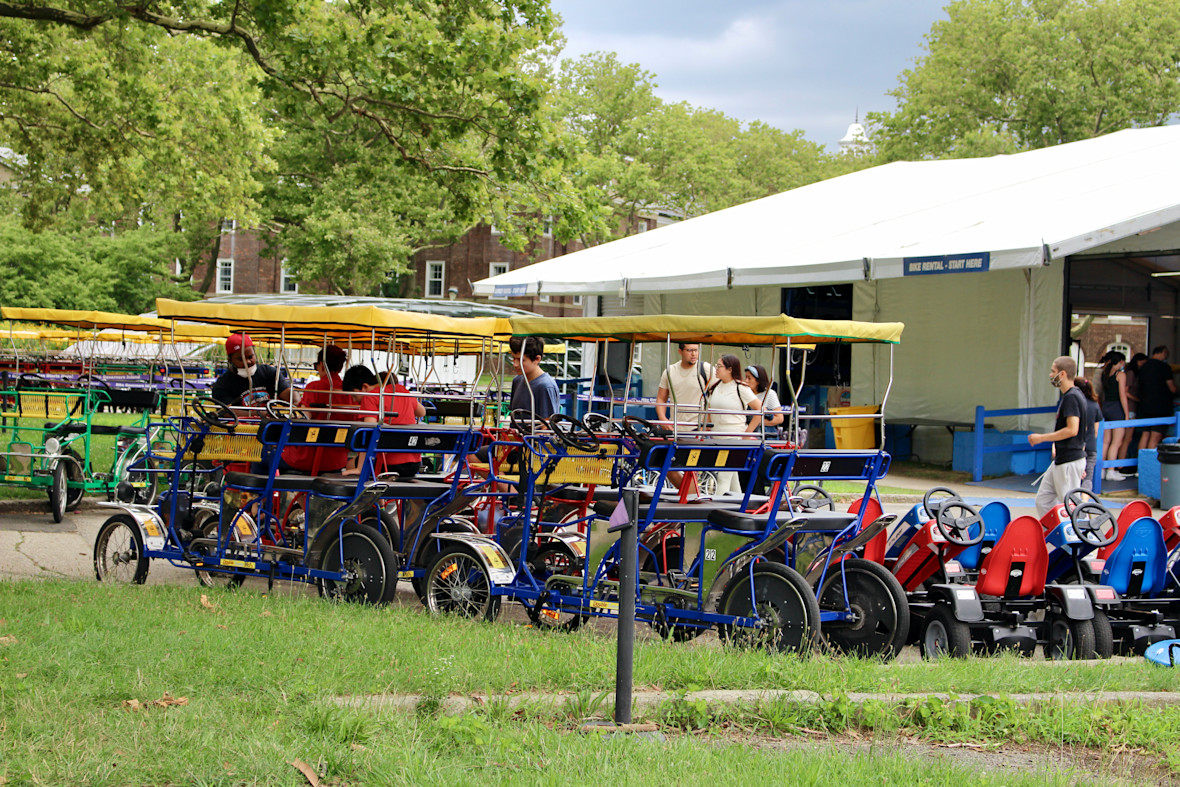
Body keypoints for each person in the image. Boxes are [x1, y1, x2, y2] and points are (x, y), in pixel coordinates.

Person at [1029, 356, 1091, 518]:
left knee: (1070, 505)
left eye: (1053, 371)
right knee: (1043, 500)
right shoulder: (1073, 396)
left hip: (1069, 460)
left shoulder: (1072, 397)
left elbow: (1072, 429)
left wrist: (1042, 438)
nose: (1050, 375)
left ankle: (1078, 534)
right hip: (1063, 458)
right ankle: (1054, 531)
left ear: (1062, 374)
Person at [342, 366, 426, 478]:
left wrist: (359, 468)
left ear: (365, 387)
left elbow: (368, 434)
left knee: (350, 465)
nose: (354, 400)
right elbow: (422, 412)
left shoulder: (370, 397)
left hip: (389, 465)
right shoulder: (401, 390)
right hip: (414, 464)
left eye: (354, 395)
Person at [280, 345, 351, 474]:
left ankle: (257, 493)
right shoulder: (349, 392)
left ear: (321, 365)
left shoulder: (314, 388)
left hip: (308, 459)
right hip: (337, 460)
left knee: (265, 456)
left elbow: (303, 418)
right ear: (340, 367)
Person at [704, 354, 758, 496]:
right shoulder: (715, 387)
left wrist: (748, 432)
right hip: (717, 437)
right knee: (732, 478)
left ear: (730, 369)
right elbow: (709, 409)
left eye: (719, 366)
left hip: (734, 437)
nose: (716, 369)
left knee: (723, 476)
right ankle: (740, 505)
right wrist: (707, 428)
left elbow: (760, 410)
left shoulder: (740, 388)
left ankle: (715, 508)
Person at [210, 333, 292, 409]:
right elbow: (227, 412)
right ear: (230, 360)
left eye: (250, 357)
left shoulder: (269, 372)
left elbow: (288, 395)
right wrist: (259, 414)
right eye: (241, 359)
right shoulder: (222, 384)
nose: (248, 362)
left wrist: (295, 399)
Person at [656, 342, 713, 428]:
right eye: (689, 350)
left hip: (698, 427)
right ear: (680, 351)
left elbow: (717, 394)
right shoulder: (670, 371)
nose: (693, 354)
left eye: (696, 350)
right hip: (674, 427)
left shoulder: (706, 369)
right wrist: (663, 419)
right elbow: (661, 398)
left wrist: (707, 422)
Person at [508, 336, 560, 420]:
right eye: (513, 359)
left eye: (521, 360)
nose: (515, 364)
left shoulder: (545, 386)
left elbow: (547, 425)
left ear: (537, 359)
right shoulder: (517, 381)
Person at [1136, 345, 1177, 452]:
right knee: (1155, 436)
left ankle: (1141, 463)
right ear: (1163, 352)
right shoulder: (1164, 367)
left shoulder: (1143, 367)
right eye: (1166, 354)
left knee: (1145, 435)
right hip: (1160, 407)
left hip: (1144, 406)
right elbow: (1172, 388)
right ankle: (1149, 465)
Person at [1097, 351, 1129, 481]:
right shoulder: (1120, 375)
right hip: (1116, 408)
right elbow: (1122, 395)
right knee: (1116, 442)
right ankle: (1111, 470)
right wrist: (1126, 413)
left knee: (1105, 442)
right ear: (1120, 362)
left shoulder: (1105, 374)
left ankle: (1101, 470)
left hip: (1105, 407)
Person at [1119, 351, 1148, 469]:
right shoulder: (1130, 373)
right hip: (1131, 408)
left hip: (1133, 408)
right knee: (1127, 438)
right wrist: (1138, 399)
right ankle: (1120, 466)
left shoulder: (1133, 373)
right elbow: (1126, 392)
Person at [1075, 377, 1102, 491]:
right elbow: (1096, 430)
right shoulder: (1094, 405)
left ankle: (1072, 501)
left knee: (1075, 476)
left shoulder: (1075, 403)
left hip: (1076, 446)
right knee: (1088, 477)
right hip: (1091, 446)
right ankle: (1085, 501)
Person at [743, 364, 785, 435]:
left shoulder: (769, 394)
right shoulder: (744, 393)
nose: (746, 381)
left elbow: (779, 418)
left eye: (749, 378)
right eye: (745, 377)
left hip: (763, 433)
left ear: (758, 381)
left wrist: (755, 422)